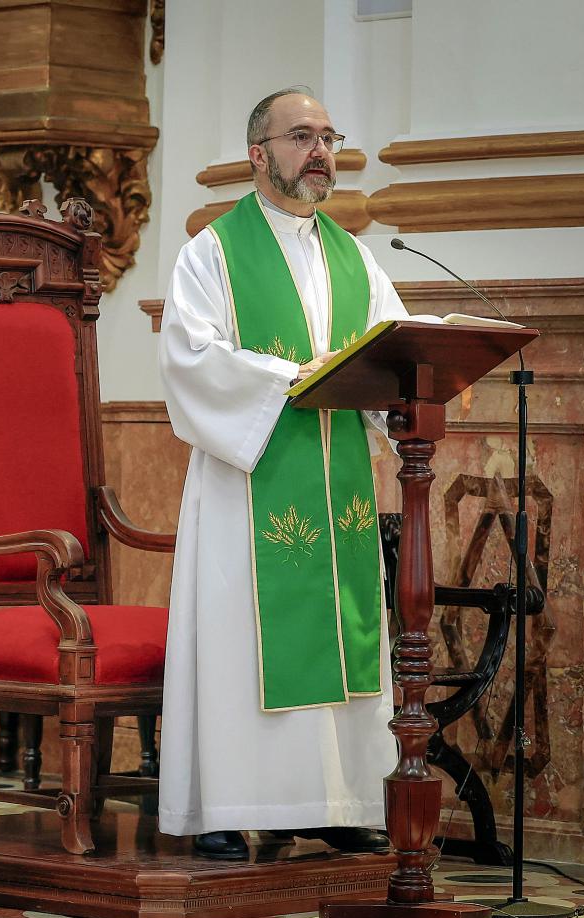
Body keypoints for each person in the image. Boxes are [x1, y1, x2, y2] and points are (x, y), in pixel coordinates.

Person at [157, 88, 408, 860]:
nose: (321, 151)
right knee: (241, 638)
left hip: (339, 490)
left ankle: (334, 800)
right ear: (259, 154)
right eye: (301, 136)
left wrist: (396, 401)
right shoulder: (213, 253)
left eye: (328, 136)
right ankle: (227, 805)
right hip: (248, 485)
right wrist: (289, 376)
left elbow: (393, 349)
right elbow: (191, 361)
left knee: (340, 630)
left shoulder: (353, 256)